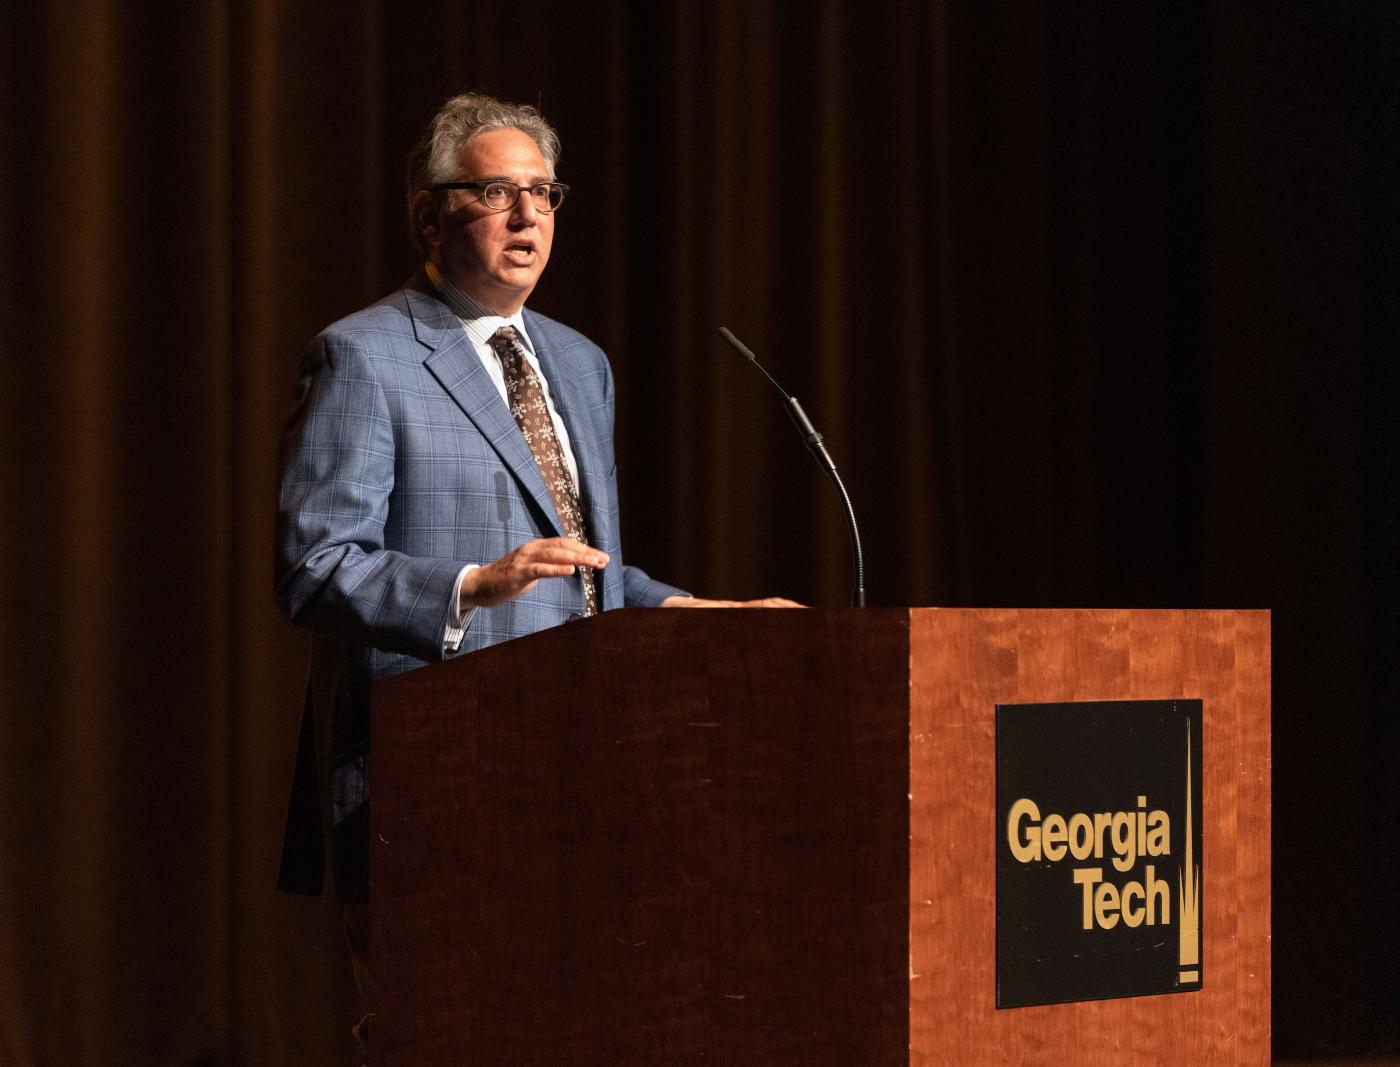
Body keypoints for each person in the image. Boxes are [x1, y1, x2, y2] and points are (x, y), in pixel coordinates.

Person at [273, 91, 793, 915]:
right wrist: (471, 584)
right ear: (429, 219)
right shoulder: (363, 357)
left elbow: (587, 572)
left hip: (589, 763)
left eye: (543, 193)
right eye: (495, 192)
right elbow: (316, 567)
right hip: (437, 775)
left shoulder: (580, 363)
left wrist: (701, 613)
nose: (527, 214)